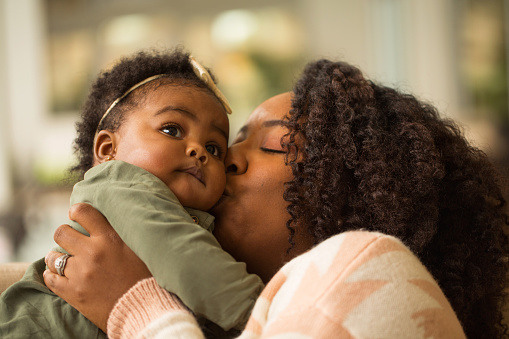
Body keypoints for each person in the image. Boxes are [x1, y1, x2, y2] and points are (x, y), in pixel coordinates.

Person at [44, 58, 509, 338]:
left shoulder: (372, 263)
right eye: (229, 144)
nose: (220, 160)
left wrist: (134, 304)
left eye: (272, 145)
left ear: (355, 195)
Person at [0, 48, 264, 338]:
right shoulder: (122, 183)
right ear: (107, 150)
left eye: (214, 149)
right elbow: (187, 261)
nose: (198, 150)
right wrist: (265, 307)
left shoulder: (200, 221)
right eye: (172, 130)